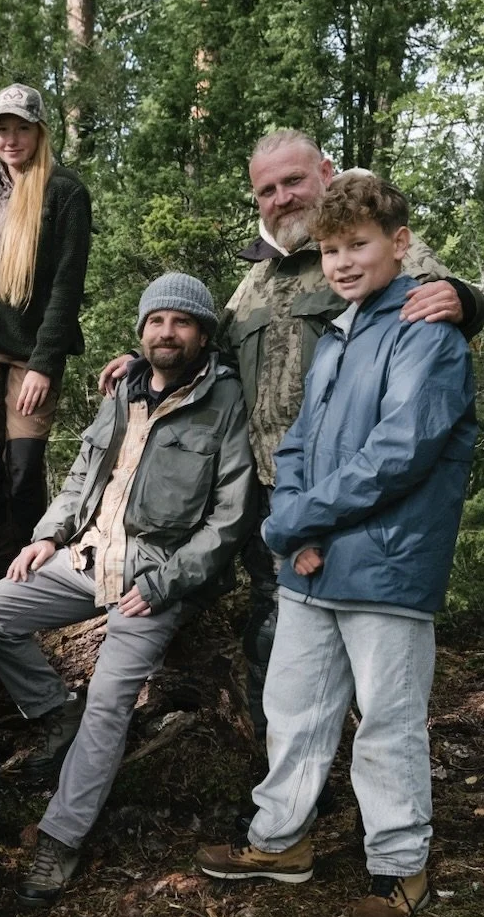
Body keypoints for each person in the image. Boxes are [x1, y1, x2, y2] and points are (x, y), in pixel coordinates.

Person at [99, 129, 483, 743]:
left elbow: (444, 301)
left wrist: (467, 297)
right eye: (267, 189)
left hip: (361, 494)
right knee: (275, 643)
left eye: (293, 180)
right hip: (274, 492)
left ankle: (375, 802)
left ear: (325, 172)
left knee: (372, 658)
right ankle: (290, 796)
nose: (282, 197)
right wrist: (146, 360)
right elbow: (209, 357)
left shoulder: (362, 249)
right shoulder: (255, 282)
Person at [198, 174, 476, 917]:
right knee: (292, 709)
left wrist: (296, 523)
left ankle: (400, 868)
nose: (344, 262)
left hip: (385, 564)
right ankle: (278, 841)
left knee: (385, 720)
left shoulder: (427, 331)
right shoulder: (336, 336)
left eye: (358, 245)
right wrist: (295, 520)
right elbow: (297, 444)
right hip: (313, 561)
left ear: (398, 243)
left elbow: (399, 453)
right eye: (329, 250)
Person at [0, 275, 255, 907]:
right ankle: (51, 708)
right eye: (157, 321)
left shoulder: (225, 401)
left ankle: (60, 838)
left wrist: (167, 583)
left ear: (203, 335)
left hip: (157, 576)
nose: (167, 333)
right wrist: (48, 535)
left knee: (109, 696)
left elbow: (229, 519)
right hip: (86, 556)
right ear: (142, 330)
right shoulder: (123, 390)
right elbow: (81, 473)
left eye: (182, 323)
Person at [0, 83, 92, 572]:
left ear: (39, 132)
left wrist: (44, 361)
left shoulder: (64, 191)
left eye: (21, 129)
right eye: (1, 129)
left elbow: (66, 285)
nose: (11, 139)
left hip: (27, 354)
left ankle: (33, 575)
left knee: (23, 468)